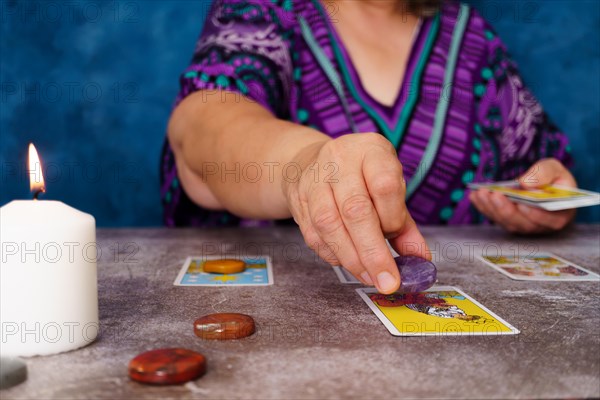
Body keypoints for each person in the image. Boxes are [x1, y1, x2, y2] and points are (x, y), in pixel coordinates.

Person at [161, 0, 576, 294]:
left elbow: (534, 163)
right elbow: (200, 127)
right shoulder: (261, 11)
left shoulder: (470, 35)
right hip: (296, 335)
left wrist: (545, 194)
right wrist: (304, 164)